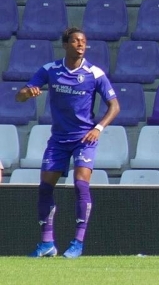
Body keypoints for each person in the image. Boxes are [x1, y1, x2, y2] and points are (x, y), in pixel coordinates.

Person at [16, 27, 120, 258]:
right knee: (45, 187)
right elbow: (20, 94)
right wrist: (28, 93)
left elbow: (115, 106)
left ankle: (78, 243)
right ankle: (47, 244)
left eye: (83, 41)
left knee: (81, 183)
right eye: (75, 41)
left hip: (84, 138)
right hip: (59, 139)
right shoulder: (50, 70)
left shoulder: (95, 73)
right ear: (65, 45)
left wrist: (98, 128)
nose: (81, 45)